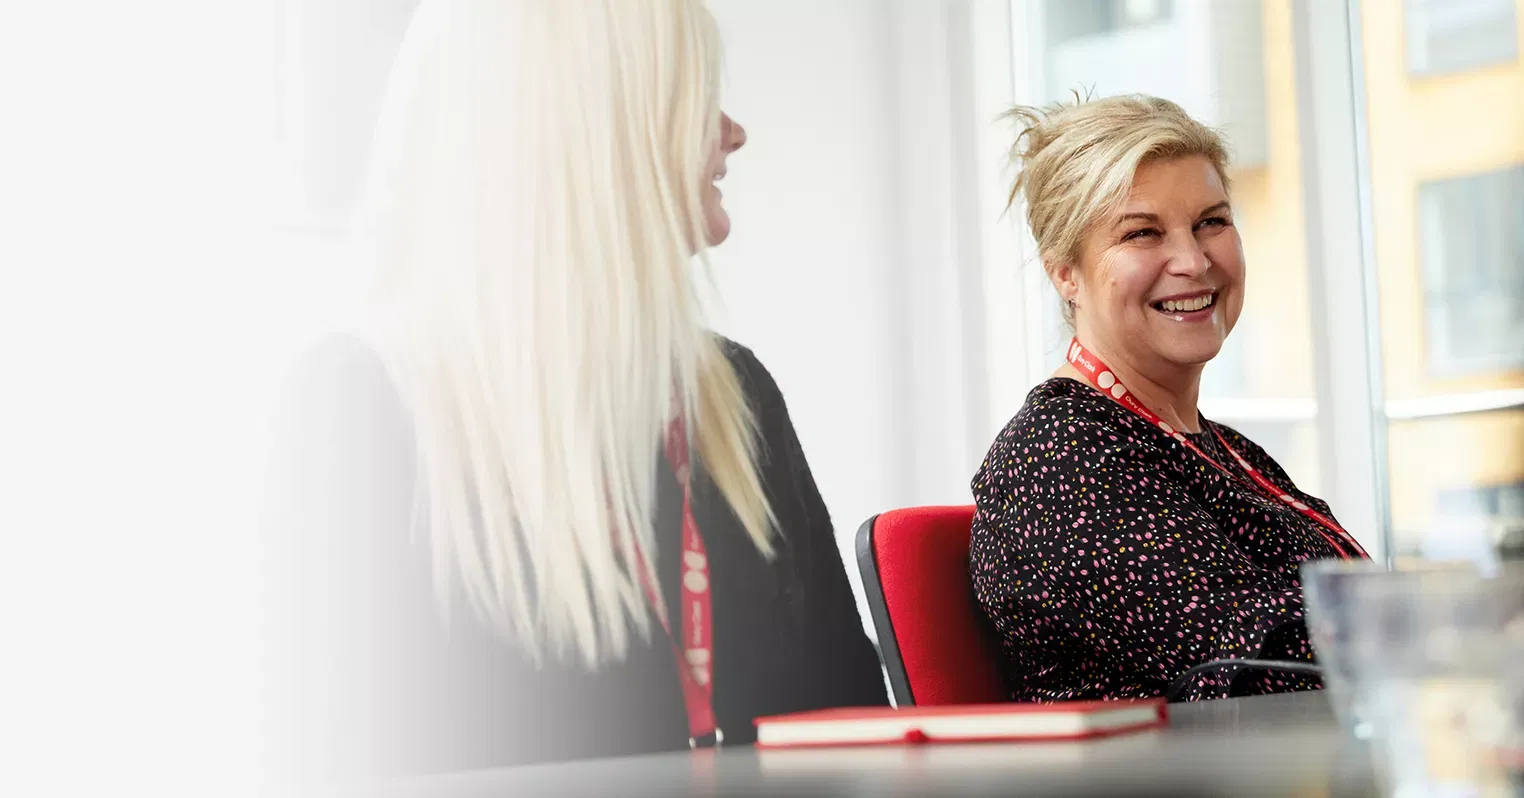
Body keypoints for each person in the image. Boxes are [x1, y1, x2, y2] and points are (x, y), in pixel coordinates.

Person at [260, 0, 886, 784]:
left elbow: (855, 734)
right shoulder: (357, 413)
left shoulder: (735, 397)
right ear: (606, 125)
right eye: (697, 94)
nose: (734, 132)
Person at [969, 94, 1370, 704]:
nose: (1193, 260)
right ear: (1065, 274)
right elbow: (1265, 661)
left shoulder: (1225, 450)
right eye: (1142, 232)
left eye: (1211, 221)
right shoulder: (1058, 456)